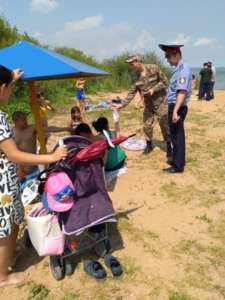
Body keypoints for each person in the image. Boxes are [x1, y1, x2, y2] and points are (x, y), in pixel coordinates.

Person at [0, 65, 67, 287]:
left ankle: (9, 257)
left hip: (9, 183)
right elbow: (13, 154)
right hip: (4, 185)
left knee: (14, 222)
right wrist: (51, 157)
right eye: (9, 88)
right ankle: (2, 276)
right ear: (2, 89)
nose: (11, 92)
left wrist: (13, 79)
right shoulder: (1, 119)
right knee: (6, 227)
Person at [115, 54, 172, 160]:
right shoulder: (135, 77)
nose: (132, 66)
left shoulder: (154, 68)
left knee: (164, 125)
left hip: (161, 102)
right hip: (148, 105)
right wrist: (123, 105)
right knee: (146, 125)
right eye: (130, 64)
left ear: (138, 61)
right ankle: (149, 144)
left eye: (132, 63)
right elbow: (132, 92)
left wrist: (153, 89)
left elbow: (165, 81)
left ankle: (169, 146)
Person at [159, 44, 192, 173]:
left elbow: (182, 92)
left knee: (177, 136)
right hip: (174, 106)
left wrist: (175, 110)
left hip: (177, 106)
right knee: (174, 135)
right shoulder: (178, 69)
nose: (167, 59)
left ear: (177, 54)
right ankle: (176, 160)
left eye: (168, 56)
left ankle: (178, 166)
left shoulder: (183, 70)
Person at [12, 111, 69, 179]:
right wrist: (20, 170)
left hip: (34, 169)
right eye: (23, 119)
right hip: (20, 173)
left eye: (26, 118)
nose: (26, 120)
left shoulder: (31, 128)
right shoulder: (11, 134)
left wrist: (65, 128)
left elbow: (49, 129)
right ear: (16, 121)